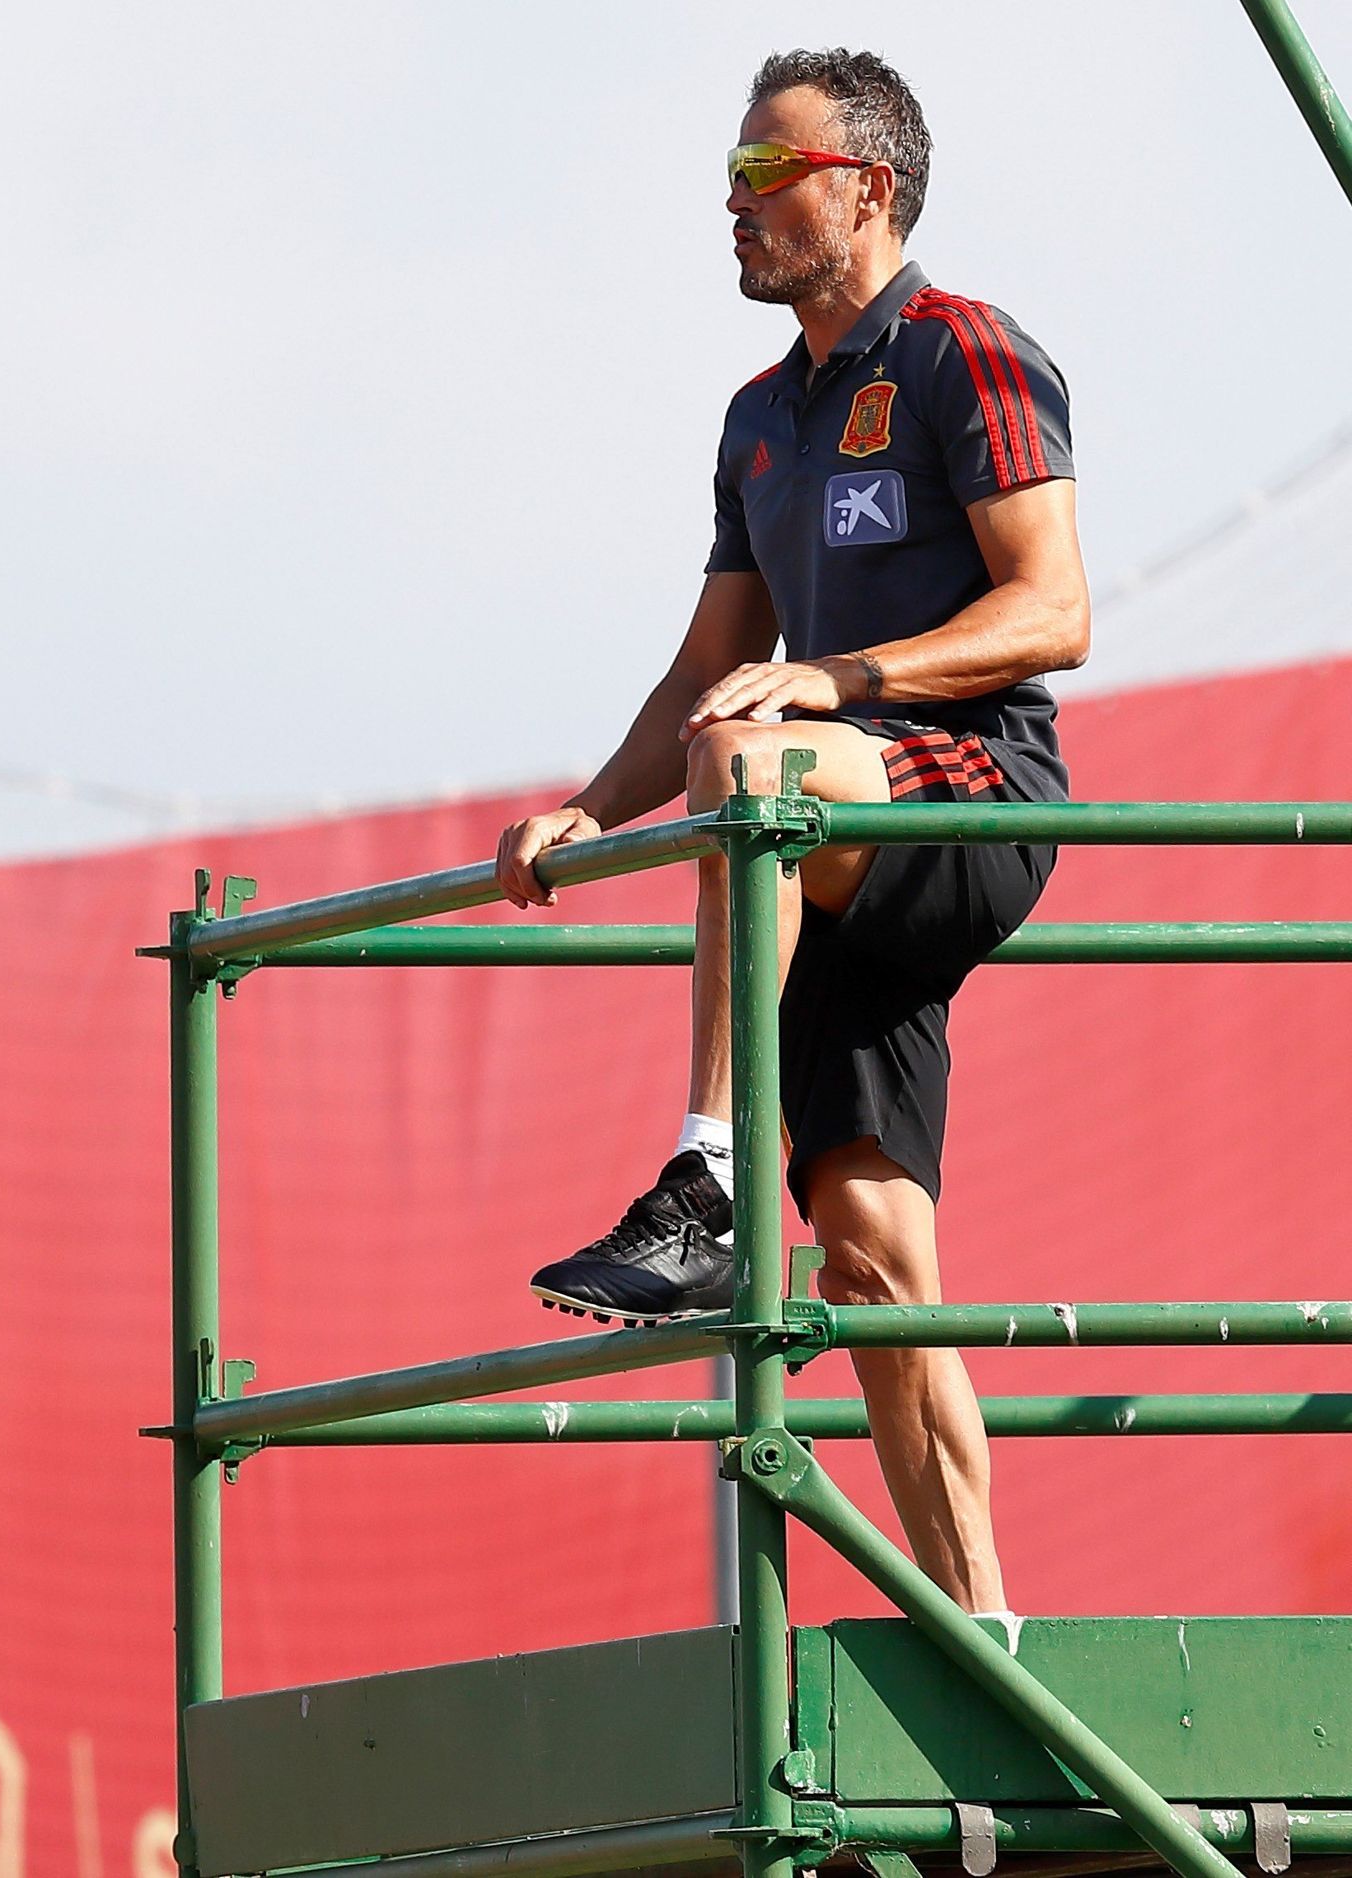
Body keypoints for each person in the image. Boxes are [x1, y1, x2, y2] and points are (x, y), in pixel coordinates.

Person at [493, 47, 1088, 1612]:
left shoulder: (972, 353)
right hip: (823, 850)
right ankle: (994, 1646)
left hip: (968, 795)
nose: (736, 203)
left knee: (751, 764)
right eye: (734, 176)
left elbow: (1058, 609)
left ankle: (705, 1177)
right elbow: (703, 668)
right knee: (878, 1263)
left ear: (868, 189)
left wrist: (833, 682)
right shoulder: (758, 417)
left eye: (770, 175)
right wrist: (583, 803)